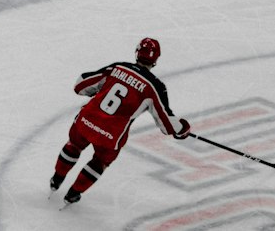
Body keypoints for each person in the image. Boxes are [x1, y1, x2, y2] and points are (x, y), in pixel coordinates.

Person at [48, 37, 190, 206]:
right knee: (100, 161)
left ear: (137, 53)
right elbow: (167, 125)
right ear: (156, 59)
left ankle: (56, 179)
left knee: (74, 144)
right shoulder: (155, 87)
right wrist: (182, 128)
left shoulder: (118, 67)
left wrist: (97, 92)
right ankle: (73, 194)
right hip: (111, 136)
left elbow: (80, 85)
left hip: (86, 121)